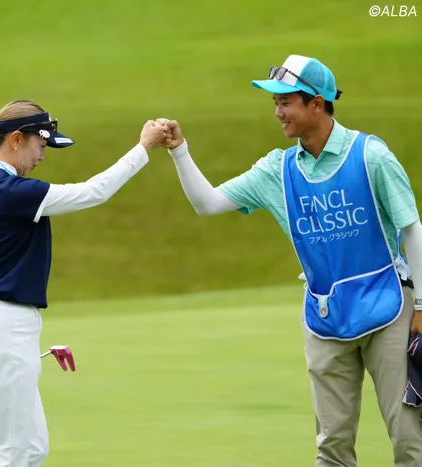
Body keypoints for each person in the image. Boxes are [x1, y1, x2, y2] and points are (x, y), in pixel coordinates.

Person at [159, 55, 422, 466]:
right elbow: (207, 203)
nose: (278, 112)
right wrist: (180, 151)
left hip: (389, 309)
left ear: (316, 104)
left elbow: (412, 228)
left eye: (286, 102)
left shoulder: (371, 156)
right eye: (276, 103)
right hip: (325, 316)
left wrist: (421, 304)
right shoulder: (275, 170)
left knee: (409, 437)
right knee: (332, 446)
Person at [0, 99, 167, 467]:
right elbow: (94, 192)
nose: (42, 156)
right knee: (10, 455)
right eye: (41, 144)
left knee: (31, 449)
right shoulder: (6, 190)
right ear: (16, 139)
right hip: (0, 331)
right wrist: (143, 147)